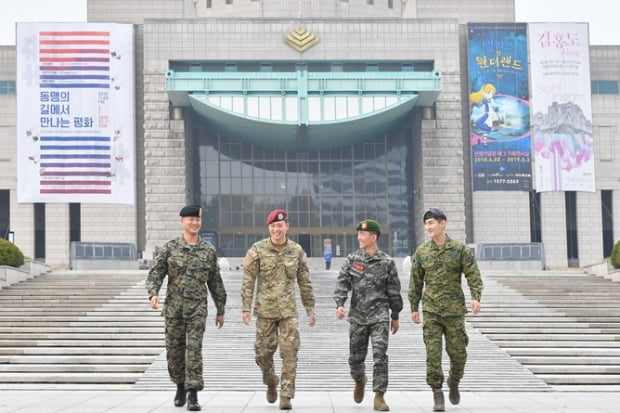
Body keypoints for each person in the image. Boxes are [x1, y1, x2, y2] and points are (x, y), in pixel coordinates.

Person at [145, 204, 227, 412]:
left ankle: (193, 393)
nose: (195, 223)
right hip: (173, 309)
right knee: (174, 351)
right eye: (191, 220)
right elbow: (156, 273)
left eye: (197, 220)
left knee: (194, 350)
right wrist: (153, 293)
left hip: (197, 309)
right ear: (182, 221)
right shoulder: (170, 248)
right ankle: (180, 386)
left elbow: (215, 281)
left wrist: (221, 308)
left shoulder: (207, 251)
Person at [409, 208, 483, 412]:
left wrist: (476, 297)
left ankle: (454, 380)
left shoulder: (459, 250)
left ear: (443, 223)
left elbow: (473, 274)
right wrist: (414, 307)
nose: (428, 227)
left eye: (431, 223)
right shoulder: (422, 252)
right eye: (426, 224)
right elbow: (415, 282)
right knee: (433, 354)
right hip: (431, 311)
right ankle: (437, 393)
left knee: (458, 354)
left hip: (454, 312)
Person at [241, 209, 316, 410]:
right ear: (269, 228)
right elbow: (248, 280)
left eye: (280, 225)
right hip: (264, 311)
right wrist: (245, 307)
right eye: (273, 226)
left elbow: (304, 281)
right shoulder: (257, 250)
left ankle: (286, 395)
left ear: (286, 227)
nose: (277, 229)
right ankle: (270, 380)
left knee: (290, 351)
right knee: (262, 354)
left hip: (288, 311)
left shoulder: (296, 251)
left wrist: (310, 308)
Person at [334, 219, 403, 412]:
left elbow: (394, 290)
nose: (359, 237)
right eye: (358, 234)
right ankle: (359, 379)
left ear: (374, 237)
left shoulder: (387, 262)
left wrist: (395, 314)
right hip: (357, 316)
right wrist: (340, 304)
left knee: (380, 355)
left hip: (379, 316)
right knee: (355, 359)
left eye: (363, 234)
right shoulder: (352, 260)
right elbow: (342, 284)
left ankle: (379, 396)